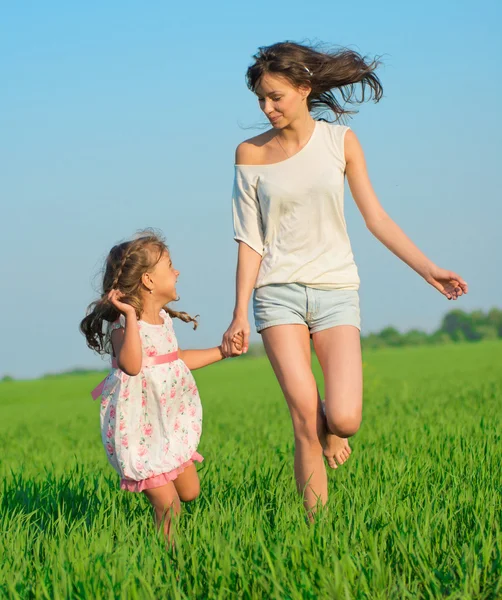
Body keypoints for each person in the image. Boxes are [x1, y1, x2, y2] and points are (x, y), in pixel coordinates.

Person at [221, 41, 468, 516]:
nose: (267, 108)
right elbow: (249, 239)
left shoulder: (341, 142)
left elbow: (375, 218)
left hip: (336, 291)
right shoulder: (249, 155)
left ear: (304, 89)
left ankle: (332, 427)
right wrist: (238, 313)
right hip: (278, 295)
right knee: (303, 421)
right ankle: (316, 529)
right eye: (260, 100)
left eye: (276, 97)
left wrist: (428, 269)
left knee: (344, 418)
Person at [80, 231, 242, 539]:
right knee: (169, 507)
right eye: (169, 265)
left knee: (190, 491)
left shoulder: (164, 321)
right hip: (140, 433)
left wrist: (223, 351)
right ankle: (171, 564)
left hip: (169, 424)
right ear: (148, 281)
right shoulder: (123, 327)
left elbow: (176, 358)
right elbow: (131, 365)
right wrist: (128, 316)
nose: (177, 271)